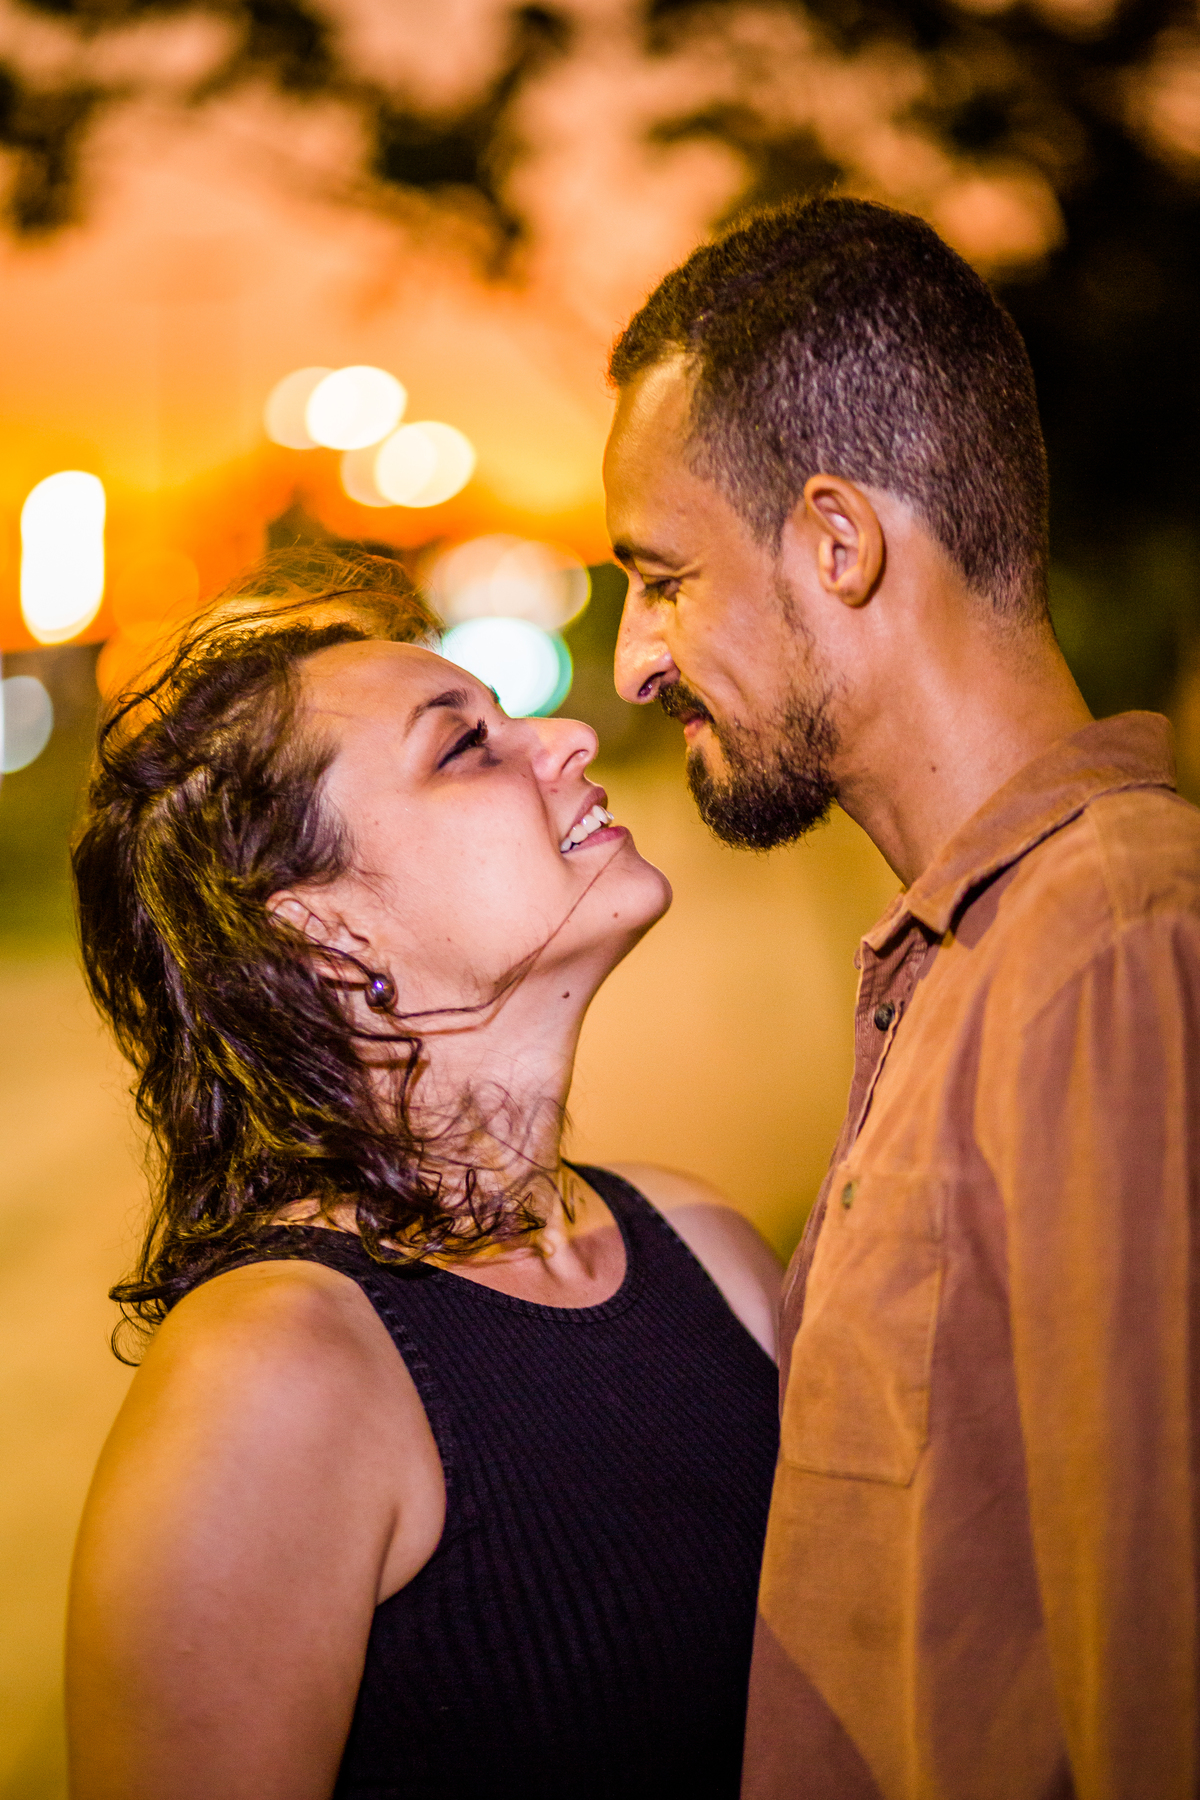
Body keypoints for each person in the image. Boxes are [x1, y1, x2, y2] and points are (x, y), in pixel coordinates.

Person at [603, 197, 1200, 1799]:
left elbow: (1163, 1679)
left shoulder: (1111, 945)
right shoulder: (971, 956)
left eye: (660, 577)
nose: (631, 662)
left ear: (837, 542)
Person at [65, 550, 783, 1800]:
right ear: (326, 930)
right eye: (464, 747)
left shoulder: (704, 1241)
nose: (565, 736)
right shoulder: (274, 1381)